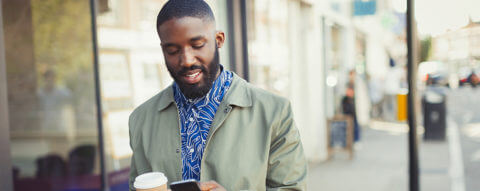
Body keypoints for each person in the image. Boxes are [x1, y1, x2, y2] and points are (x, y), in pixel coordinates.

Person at [128, 1, 307, 190]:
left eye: (197, 45)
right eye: (172, 51)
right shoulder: (141, 120)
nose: (187, 60)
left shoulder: (274, 112)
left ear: (219, 39)